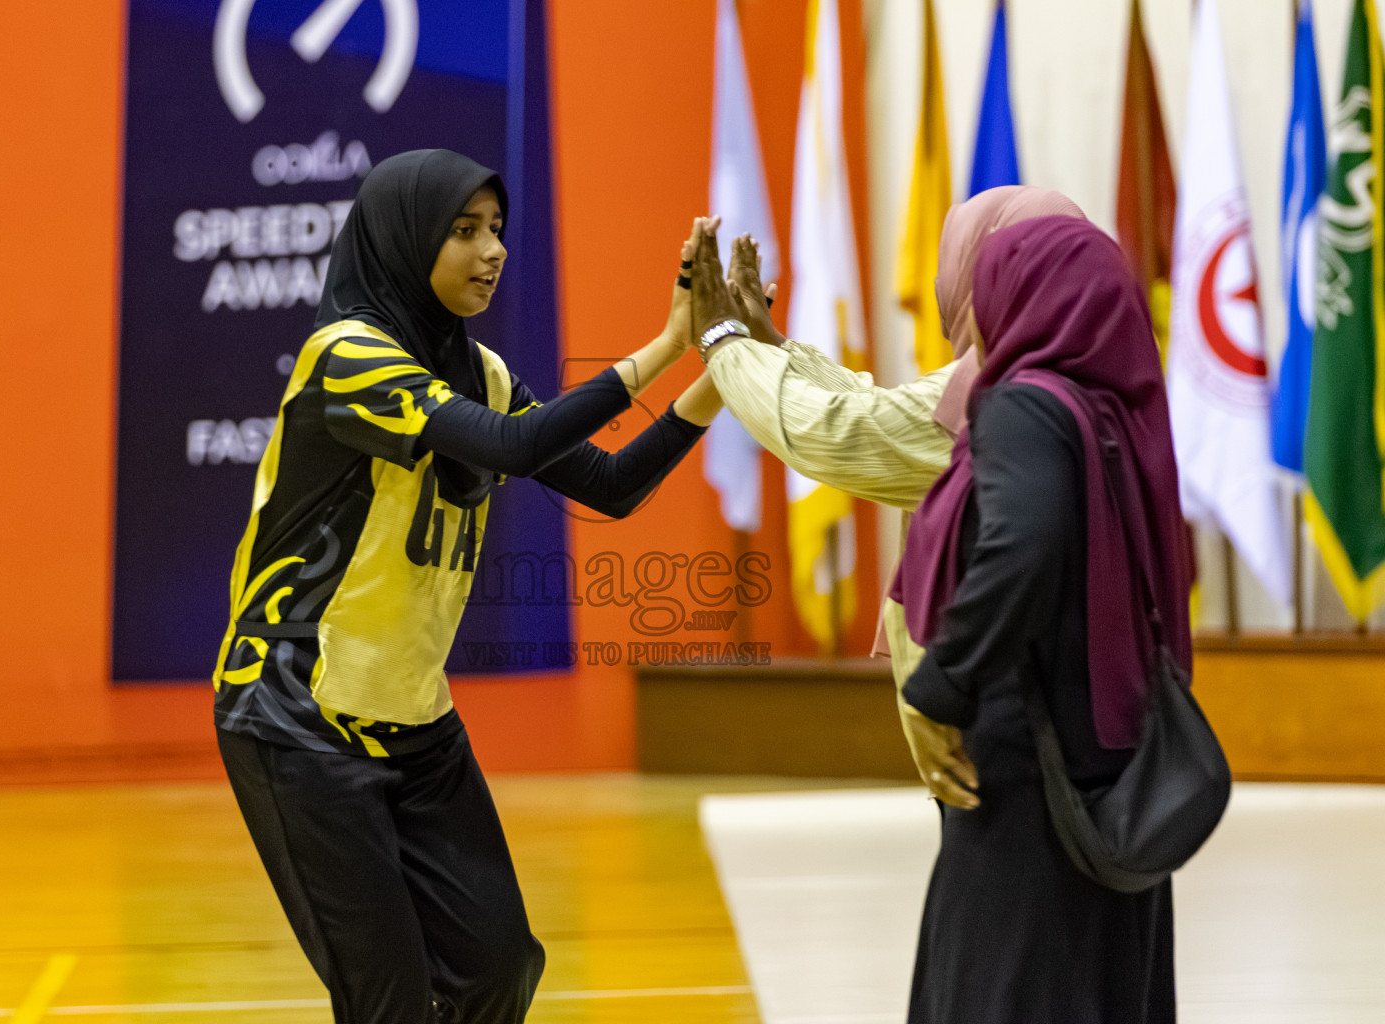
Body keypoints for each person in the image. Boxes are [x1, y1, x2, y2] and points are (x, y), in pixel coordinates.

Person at [211, 148, 719, 1024]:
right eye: (463, 231)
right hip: (295, 717)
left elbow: (611, 487)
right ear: (407, 241)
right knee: (389, 1000)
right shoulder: (347, 359)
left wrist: (725, 372)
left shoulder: (479, 370)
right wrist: (668, 344)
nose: (492, 251)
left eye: (497, 231)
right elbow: (516, 448)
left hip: (415, 720)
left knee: (498, 968)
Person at [891, 215, 1189, 1022]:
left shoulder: (1026, 406)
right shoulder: (1120, 415)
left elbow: (1022, 542)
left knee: (1000, 984)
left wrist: (941, 684)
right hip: (1111, 756)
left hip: (1028, 758)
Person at [688, 188, 1085, 783]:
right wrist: (774, 348)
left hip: (1014, 724)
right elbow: (887, 414)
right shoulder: (1077, 366)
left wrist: (722, 342)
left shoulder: (1000, 392)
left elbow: (842, 435)